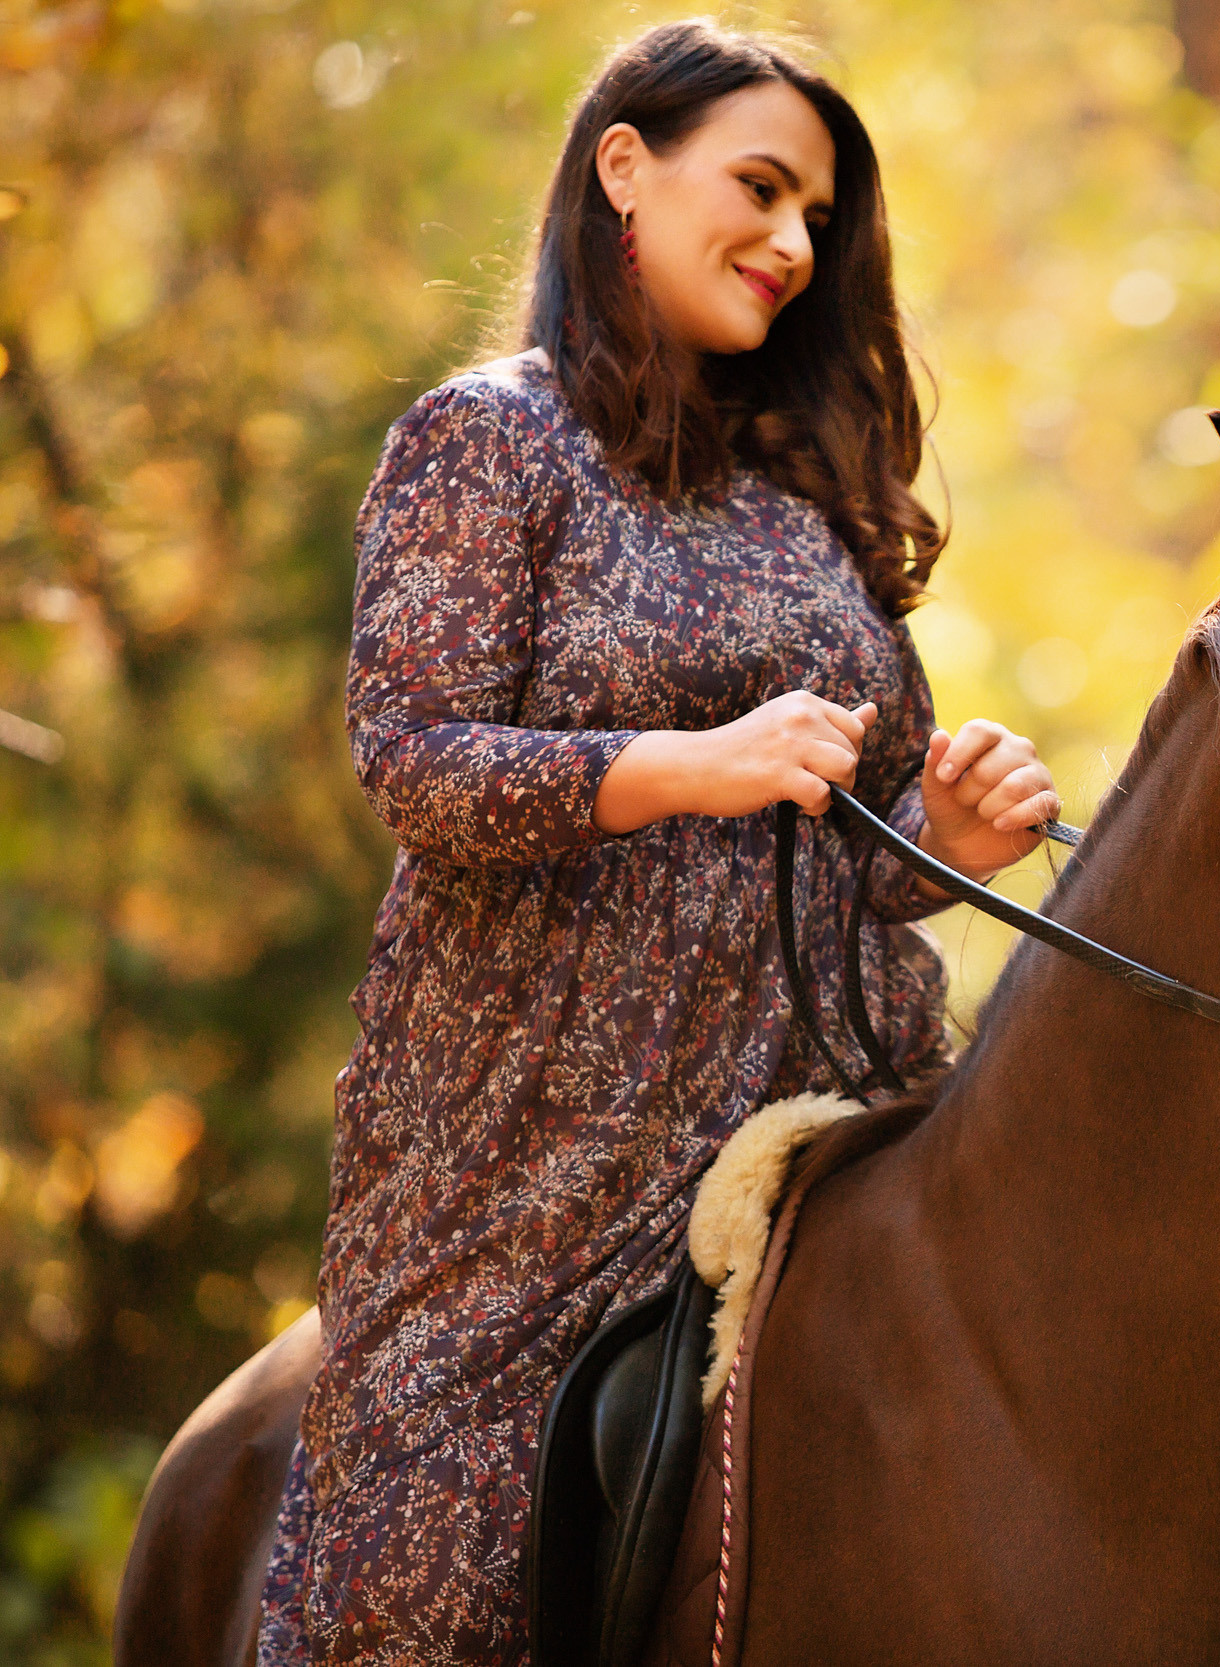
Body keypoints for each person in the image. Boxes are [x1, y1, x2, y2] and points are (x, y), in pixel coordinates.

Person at [254, 21, 1057, 1663]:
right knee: (424, 1596)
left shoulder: (803, 497)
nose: (792, 243)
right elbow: (410, 762)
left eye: (818, 217)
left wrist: (941, 835)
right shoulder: (493, 437)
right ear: (625, 164)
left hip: (814, 1107)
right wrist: (687, 764)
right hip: (532, 1150)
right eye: (760, 187)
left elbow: (847, 841)